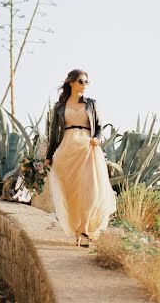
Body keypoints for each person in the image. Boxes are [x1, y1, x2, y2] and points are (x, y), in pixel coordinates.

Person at [44, 68, 117, 247]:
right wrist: (49, 156)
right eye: (81, 81)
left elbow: (99, 127)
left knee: (90, 189)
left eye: (86, 82)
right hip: (67, 149)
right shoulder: (60, 106)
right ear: (71, 82)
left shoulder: (91, 104)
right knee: (71, 193)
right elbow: (53, 133)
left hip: (88, 147)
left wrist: (97, 139)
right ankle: (77, 227)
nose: (84, 85)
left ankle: (85, 228)